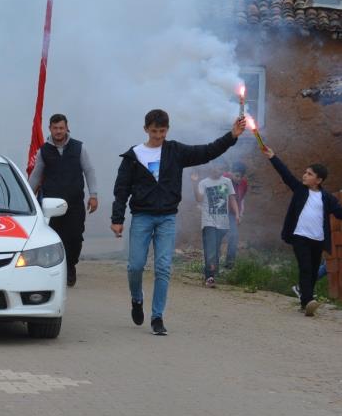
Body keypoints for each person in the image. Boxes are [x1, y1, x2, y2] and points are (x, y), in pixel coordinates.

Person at [111, 109, 245, 335]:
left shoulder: (175, 151)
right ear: (146, 129)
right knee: (135, 266)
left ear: (167, 130)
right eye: (154, 131)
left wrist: (231, 135)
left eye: (162, 131)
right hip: (142, 216)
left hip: (167, 217)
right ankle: (137, 299)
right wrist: (117, 218)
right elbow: (121, 189)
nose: (158, 136)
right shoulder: (133, 156)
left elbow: (206, 151)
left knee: (163, 267)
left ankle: (157, 317)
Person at [260, 145, 342, 316]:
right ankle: (307, 301)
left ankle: (306, 300)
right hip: (300, 237)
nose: (305, 175)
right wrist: (272, 156)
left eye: (310, 174)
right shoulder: (299, 190)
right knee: (305, 268)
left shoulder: (327, 198)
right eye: (305, 172)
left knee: (312, 271)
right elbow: (286, 174)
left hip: (318, 239)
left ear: (319, 180)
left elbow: (339, 213)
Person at [27, 114, 98, 287]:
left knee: (74, 237)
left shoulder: (79, 148)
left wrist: (93, 195)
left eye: (61, 128)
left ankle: (70, 265)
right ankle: (56, 272)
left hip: (74, 203)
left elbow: (89, 171)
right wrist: (27, 197)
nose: (58, 131)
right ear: (50, 129)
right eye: (55, 128)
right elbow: (36, 176)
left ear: (67, 128)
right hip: (51, 205)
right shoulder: (43, 150)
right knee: (54, 238)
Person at [192, 163, 238, 288]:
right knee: (210, 248)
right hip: (208, 221)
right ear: (210, 168)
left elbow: (231, 198)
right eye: (216, 167)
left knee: (215, 248)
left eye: (221, 168)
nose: (218, 170)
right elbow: (199, 199)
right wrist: (194, 183)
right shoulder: (204, 183)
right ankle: (210, 276)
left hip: (223, 222)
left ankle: (212, 272)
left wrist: (237, 213)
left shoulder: (227, 181)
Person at [223, 161, 248, 269]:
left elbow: (241, 200)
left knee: (234, 236)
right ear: (230, 172)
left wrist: (240, 215)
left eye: (241, 176)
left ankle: (229, 264)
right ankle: (212, 263)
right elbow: (220, 196)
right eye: (236, 175)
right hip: (221, 213)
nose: (239, 178)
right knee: (217, 237)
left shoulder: (244, 183)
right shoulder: (223, 179)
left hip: (233, 214)